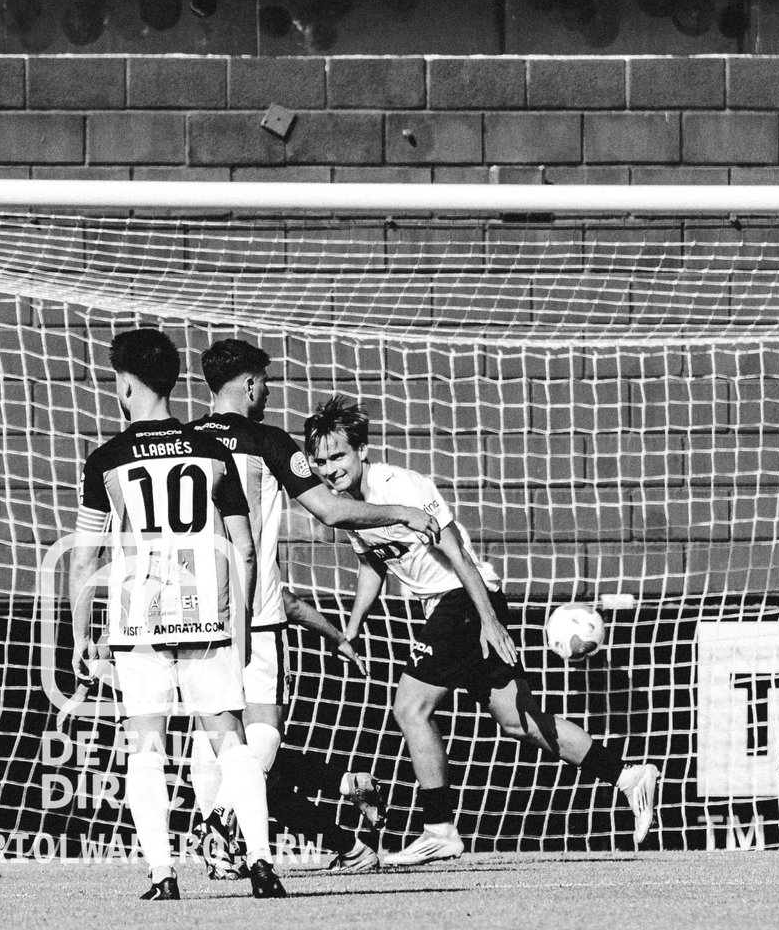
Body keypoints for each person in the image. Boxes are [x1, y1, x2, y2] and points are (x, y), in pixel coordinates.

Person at [304, 394, 661, 865]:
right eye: (321, 460)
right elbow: (373, 565)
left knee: (411, 708)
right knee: (520, 722)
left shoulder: (401, 486)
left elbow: (457, 553)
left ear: (363, 449)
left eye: (339, 456)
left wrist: (489, 620)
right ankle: (628, 776)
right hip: (450, 609)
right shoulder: (349, 507)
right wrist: (351, 628)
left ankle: (439, 828)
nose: (330, 468)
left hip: (465, 599)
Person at [185, 338, 437, 876]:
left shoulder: (181, 445)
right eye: (266, 382)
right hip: (254, 613)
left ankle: (226, 841)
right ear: (251, 384)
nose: (269, 391)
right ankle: (223, 826)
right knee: (262, 736)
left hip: (193, 612)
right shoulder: (267, 441)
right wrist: (403, 513)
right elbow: (330, 510)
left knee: (214, 746)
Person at [67, 328, 286, 900]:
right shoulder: (212, 452)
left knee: (146, 742)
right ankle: (262, 863)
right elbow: (243, 546)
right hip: (205, 615)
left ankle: (163, 874)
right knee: (229, 738)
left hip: (138, 618)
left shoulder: (107, 460)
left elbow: (85, 556)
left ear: (124, 385)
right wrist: (236, 624)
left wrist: (79, 634)